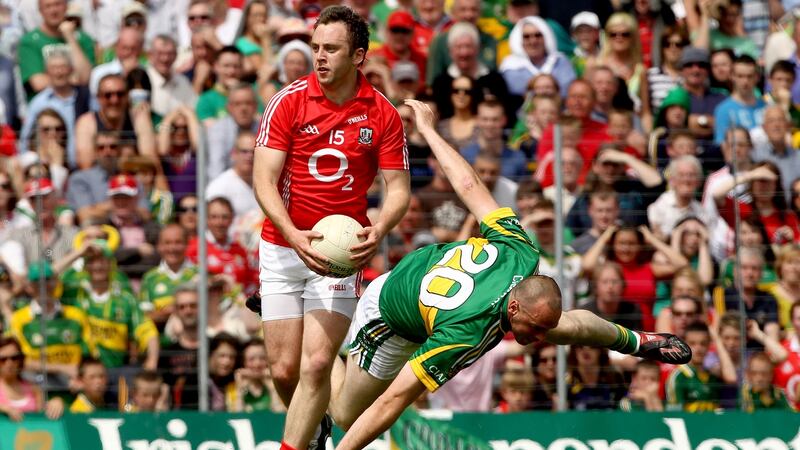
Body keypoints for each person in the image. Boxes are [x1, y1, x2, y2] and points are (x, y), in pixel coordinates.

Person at [325, 99, 691, 450]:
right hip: (390, 316)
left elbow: (469, 186)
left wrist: (430, 131)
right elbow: (392, 402)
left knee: (564, 328)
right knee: (344, 413)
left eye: (538, 330)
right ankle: (325, 342)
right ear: (515, 308)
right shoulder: (469, 332)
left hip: (430, 277)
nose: (534, 340)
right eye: (532, 329)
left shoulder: (523, 250)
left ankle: (638, 341)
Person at [251, 5, 411, 448]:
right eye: (316, 47)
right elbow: (263, 180)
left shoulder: (381, 114)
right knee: (284, 371)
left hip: (340, 255)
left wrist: (378, 229)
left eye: (331, 49)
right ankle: (317, 426)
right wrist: (292, 234)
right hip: (283, 245)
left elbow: (398, 189)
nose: (319, 57)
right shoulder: (287, 101)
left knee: (317, 364)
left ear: (358, 56)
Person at [140, 224, 198, 330]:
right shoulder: (150, 278)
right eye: (167, 243)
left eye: (178, 242)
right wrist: (171, 312)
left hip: (196, 341)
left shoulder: (199, 274)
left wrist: (173, 310)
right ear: (159, 246)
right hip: (162, 342)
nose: (172, 248)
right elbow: (144, 316)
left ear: (187, 244)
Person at [665, 321, 732, 412]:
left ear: (709, 345)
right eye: (692, 343)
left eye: (703, 343)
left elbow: (732, 378)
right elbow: (674, 415)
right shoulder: (678, 377)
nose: (698, 348)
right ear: (684, 346)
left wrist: (717, 339)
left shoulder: (713, 376)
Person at [713, 55, 765, 144]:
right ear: (732, 76)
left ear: (757, 77)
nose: (745, 81)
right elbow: (722, 144)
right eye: (740, 76)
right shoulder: (723, 110)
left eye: (750, 76)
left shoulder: (766, 107)